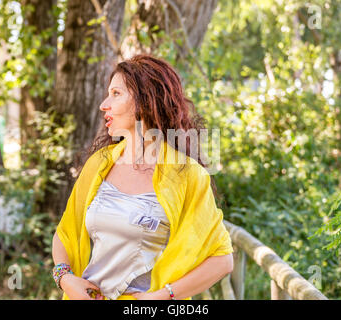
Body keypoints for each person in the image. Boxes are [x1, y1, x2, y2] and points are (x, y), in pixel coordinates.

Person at [51, 54, 234, 300]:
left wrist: (161, 296)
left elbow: (222, 259)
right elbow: (66, 232)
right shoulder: (99, 164)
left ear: (145, 100)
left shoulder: (187, 175)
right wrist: (64, 278)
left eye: (116, 94)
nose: (104, 104)